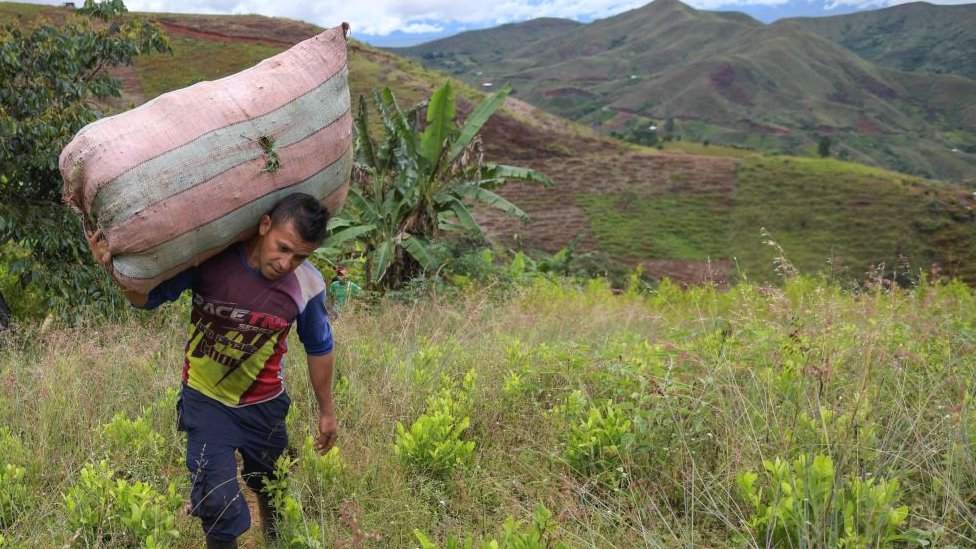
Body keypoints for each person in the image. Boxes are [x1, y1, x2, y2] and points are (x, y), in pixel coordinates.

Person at [89, 193, 338, 549]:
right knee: (217, 504)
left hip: (264, 405)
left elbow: (319, 347)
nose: (287, 263)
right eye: (283, 248)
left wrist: (327, 413)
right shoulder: (209, 261)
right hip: (205, 401)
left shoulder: (308, 286)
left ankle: (274, 535)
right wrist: (111, 267)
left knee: (269, 484)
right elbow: (145, 299)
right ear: (264, 225)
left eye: (300, 256)